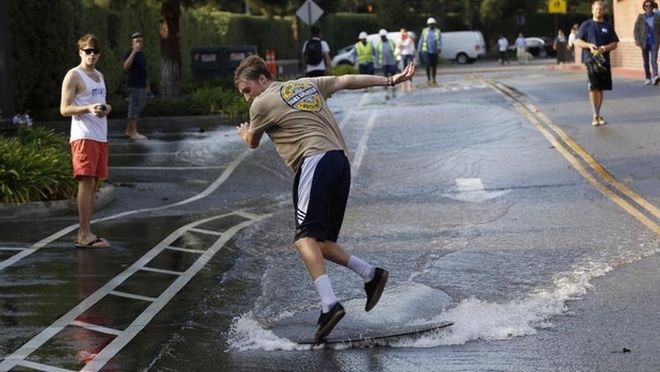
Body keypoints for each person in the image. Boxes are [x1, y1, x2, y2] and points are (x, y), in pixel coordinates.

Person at [233, 55, 415, 341]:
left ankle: (329, 305)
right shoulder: (307, 84)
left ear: (263, 80)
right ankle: (371, 275)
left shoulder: (261, 102)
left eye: (247, 90)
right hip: (339, 162)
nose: (246, 98)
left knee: (304, 240)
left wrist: (244, 132)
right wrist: (390, 79)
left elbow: (252, 142)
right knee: (321, 243)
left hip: (314, 160)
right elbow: (346, 81)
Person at [60, 34, 112, 249]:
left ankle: (86, 232)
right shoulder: (74, 75)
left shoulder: (99, 76)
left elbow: (102, 103)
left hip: (100, 135)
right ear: (80, 52)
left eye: (94, 51)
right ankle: (84, 234)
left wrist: (105, 108)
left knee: (94, 184)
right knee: (86, 182)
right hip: (83, 136)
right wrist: (88, 109)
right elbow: (64, 109)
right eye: (87, 51)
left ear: (99, 54)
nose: (91, 55)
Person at [574, 0, 619, 126]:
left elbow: (614, 43)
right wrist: (589, 45)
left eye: (600, 9)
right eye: (596, 9)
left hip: (604, 61)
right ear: (592, 10)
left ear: (603, 11)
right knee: (594, 87)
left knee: (600, 88)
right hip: (591, 60)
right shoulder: (586, 25)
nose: (598, 11)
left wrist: (605, 48)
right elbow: (577, 42)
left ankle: (598, 113)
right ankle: (595, 115)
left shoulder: (608, 26)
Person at [122, 32, 149, 140]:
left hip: (142, 85)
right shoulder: (130, 53)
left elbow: (143, 70)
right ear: (132, 42)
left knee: (139, 107)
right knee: (134, 108)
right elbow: (125, 67)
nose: (139, 43)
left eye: (141, 41)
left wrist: (147, 84)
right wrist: (133, 52)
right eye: (137, 41)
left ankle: (128, 131)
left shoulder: (142, 54)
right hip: (134, 84)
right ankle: (134, 132)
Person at [633, 0, 660, 85]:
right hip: (644, 42)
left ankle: (655, 76)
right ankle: (648, 77)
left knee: (653, 60)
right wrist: (637, 40)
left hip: (654, 41)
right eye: (646, 6)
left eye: (650, 6)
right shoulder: (641, 17)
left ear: (652, 7)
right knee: (646, 61)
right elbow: (636, 30)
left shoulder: (657, 17)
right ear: (644, 7)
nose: (648, 7)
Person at [418, 17, 441, 85]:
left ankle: (434, 78)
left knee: (434, 65)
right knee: (427, 64)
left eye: (433, 24)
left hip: (434, 51)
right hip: (426, 51)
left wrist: (439, 47)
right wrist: (419, 49)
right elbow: (421, 40)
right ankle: (428, 79)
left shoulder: (437, 31)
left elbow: (439, 40)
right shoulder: (425, 31)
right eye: (430, 24)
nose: (431, 25)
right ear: (428, 24)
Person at [376, 28, 397, 97]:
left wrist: (397, 59)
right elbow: (377, 54)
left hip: (392, 61)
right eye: (381, 37)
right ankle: (386, 85)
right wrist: (377, 62)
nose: (382, 38)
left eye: (383, 36)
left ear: (385, 36)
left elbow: (396, 50)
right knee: (385, 75)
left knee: (393, 74)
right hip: (384, 62)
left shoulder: (391, 42)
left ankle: (393, 85)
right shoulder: (379, 44)